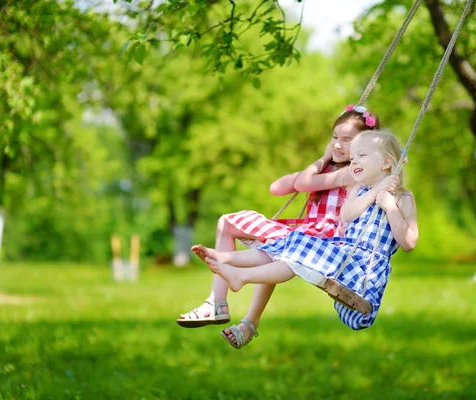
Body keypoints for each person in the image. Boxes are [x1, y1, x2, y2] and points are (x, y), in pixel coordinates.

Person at [193, 130, 418, 346]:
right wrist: (375, 190)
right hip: (343, 259)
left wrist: (391, 209)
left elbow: (409, 242)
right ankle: (233, 265)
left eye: (362, 155)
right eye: (353, 157)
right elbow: (348, 215)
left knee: (302, 248)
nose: (354, 161)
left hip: (363, 273)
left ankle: (234, 266)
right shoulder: (358, 191)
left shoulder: (402, 199)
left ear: (387, 162)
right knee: (297, 249)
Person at [177, 107, 381, 338]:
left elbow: (304, 184)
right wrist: (324, 162)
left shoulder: (353, 173)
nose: (337, 145)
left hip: (323, 239)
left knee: (279, 248)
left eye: (347, 140)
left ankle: (249, 319)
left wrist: (322, 158)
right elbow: (277, 187)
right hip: (303, 231)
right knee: (227, 222)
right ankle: (216, 302)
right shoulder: (329, 169)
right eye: (334, 137)